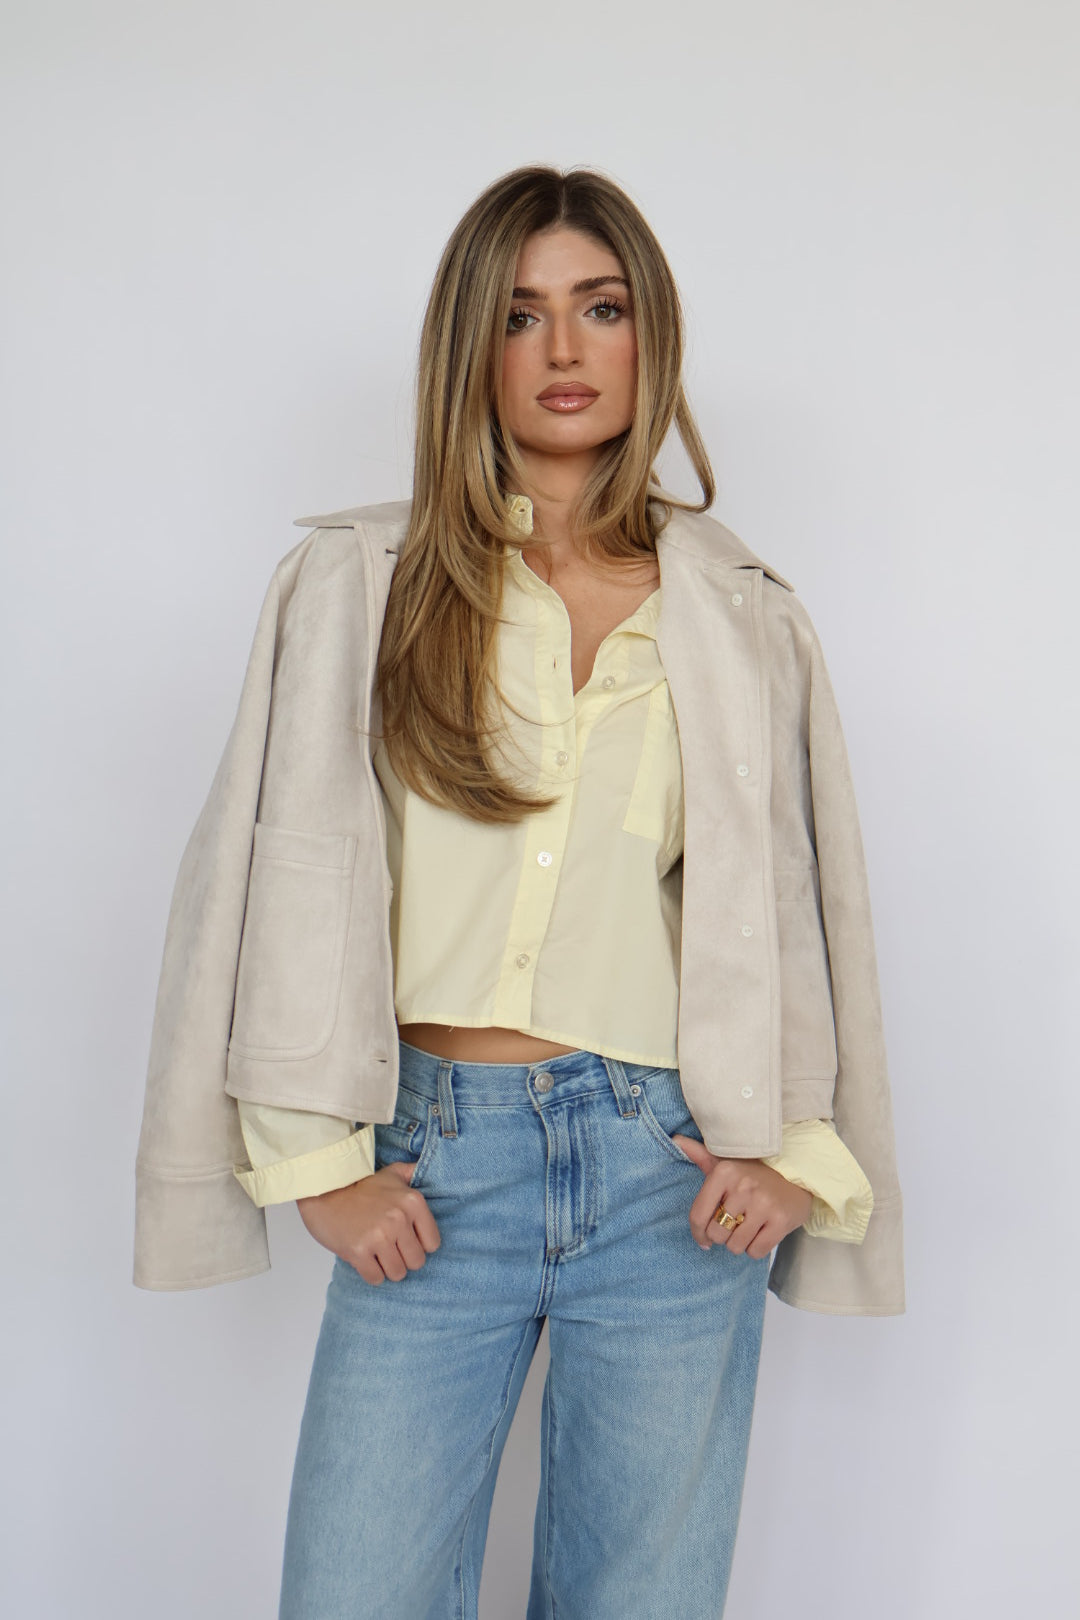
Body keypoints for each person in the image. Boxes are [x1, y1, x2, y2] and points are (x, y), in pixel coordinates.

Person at [134, 165, 904, 1620]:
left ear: (649, 332)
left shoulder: (740, 612)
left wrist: (796, 1150)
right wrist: (313, 1163)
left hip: (667, 1172)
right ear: (467, 347)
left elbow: (794, 912)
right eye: (519, 313)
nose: (563, 349)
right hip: (429, 1164)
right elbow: (269, 876)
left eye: (600, 309)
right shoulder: (362, 582)